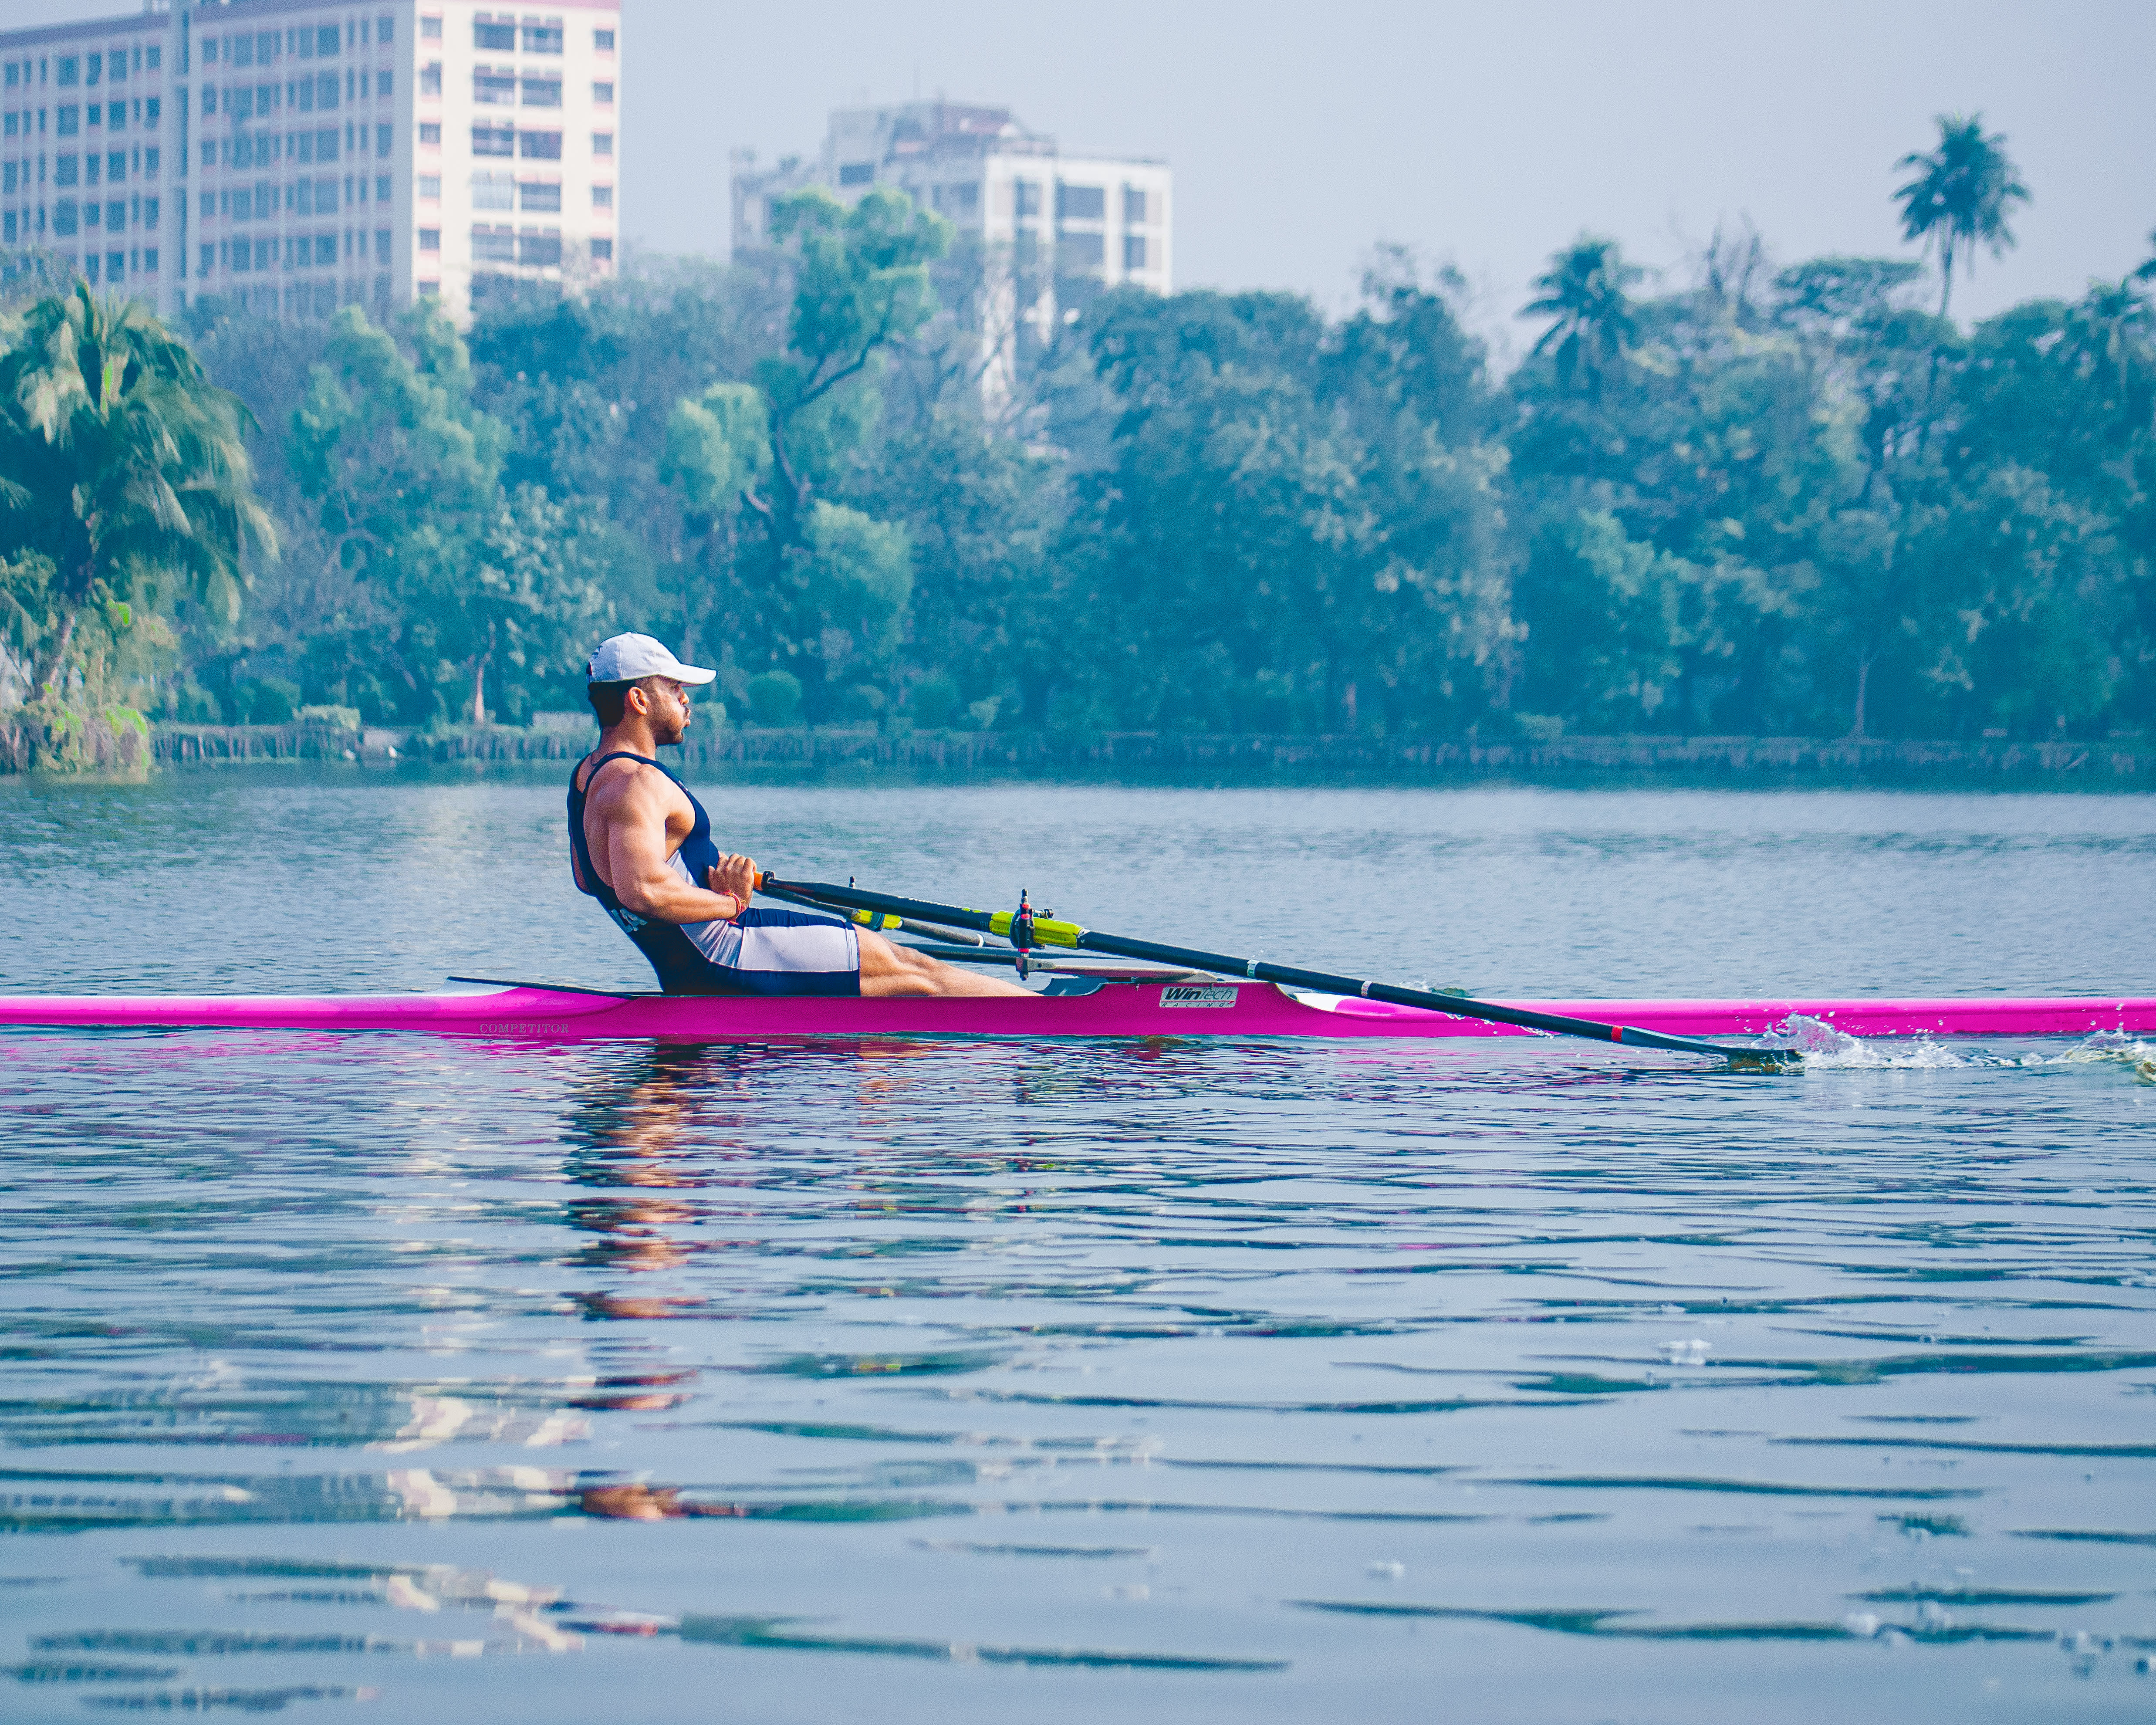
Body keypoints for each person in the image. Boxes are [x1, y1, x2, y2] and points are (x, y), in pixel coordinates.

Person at [568, 633, 1031, 998]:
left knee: (895, 988)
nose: (687, 700)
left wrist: (706, 873)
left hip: (688, 970)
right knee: (916, 970)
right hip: (729, 953)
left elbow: (592, 879)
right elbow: (642, 890)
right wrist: (731, 901)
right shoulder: (636, 783)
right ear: (639, 701)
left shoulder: (586, 780)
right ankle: (1047, 1023)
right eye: (674, 688)